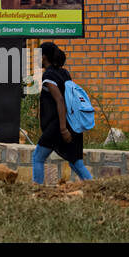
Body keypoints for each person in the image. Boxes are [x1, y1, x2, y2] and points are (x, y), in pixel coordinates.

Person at [33, 41, 93, 184]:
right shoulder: (64, 73)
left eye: (38, 56)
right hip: (73, 122)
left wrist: (62, 129)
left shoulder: (48, 75)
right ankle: (94, 188)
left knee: (38, 157)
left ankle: (37, 191)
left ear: (44, 57)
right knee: (75, 161)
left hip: (59, 125)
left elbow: (60, 100)